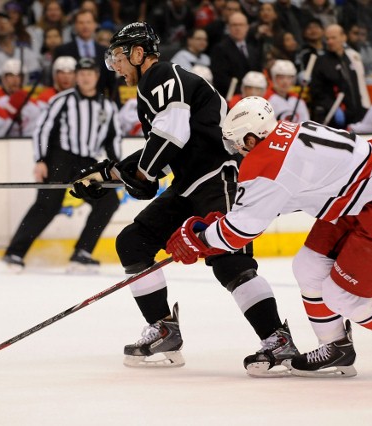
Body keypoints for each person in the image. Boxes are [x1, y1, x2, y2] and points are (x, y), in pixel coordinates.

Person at [73, 22, 299, 376]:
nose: (114, 66)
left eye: (118, 57)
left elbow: (170, 135)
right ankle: (164, 330)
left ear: (137, 53)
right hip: (191, 183)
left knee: (229, 263)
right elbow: (163, 146)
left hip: (218, 178)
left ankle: (277, 340)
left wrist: (142, 175)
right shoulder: (153, 87)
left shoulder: (161, 75)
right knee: (134, 242)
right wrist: (106, 175)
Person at [166, 96, 372, 377]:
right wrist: (221, 224)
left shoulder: (266, 162)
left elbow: (239, 233)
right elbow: (283, 196)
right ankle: (336, 347)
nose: (235, 150)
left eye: (236, 143)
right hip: (361, 192)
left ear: (250, 139)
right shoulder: (286, 131)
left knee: (341, 295)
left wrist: (199, 239)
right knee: (308, 265)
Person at [3, 57, 122, 274]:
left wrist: (116, 168)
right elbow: (43, 130)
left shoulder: (108, 106)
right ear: (77, 77)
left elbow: (113, 138)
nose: (86, 78)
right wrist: (40, 160)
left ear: (96, 76)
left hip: (87, 164)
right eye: (82, 73)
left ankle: (82, 253)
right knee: (47, 205)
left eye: (90, 73)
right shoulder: (62, 100)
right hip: (61, 159)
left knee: (108, 201)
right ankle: (14, 253)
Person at [310, 24, 369, 129]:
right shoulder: (321, 62)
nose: (330, 42)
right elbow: (316, 91)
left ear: (343, 37)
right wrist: (333, 108)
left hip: (355, 117)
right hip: (333, 118)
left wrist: (362, 108)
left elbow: (357, 86)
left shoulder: (350, 58)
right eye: (327, 39)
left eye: (333, 38)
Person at [209, 12, 262, 101]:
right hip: (231, 98)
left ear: (247, 27)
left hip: (254, 97)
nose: (238, 28)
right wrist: (243, 92)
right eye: (234, 25)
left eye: (241, 25)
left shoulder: (253, 49)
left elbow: (258, 72)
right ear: (228, 28)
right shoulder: (220, 49)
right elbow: (220, 77)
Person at [0, 59, 41, 137]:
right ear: (4, 78)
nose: (15, 80)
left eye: (19, 76)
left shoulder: (32, 102)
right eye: (11, 75)